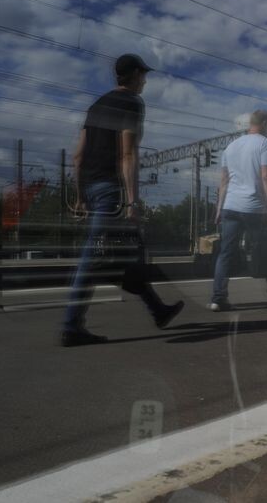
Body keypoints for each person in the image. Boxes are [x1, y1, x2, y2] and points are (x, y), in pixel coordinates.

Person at [63, 53, 184, 347]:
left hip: (91, 187)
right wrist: (132, 201)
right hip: (110, 190)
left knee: (129, 253)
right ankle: (71, 326)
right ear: (134, 75)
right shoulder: (132, 102)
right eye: (143, 76)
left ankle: (158, 310)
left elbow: (78, 155)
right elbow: (127, 153)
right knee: (92, 258)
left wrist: (80, 196)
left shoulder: (97, 105)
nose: (144, 81)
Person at [211, 109, 267, 310]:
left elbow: (224, 180)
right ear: (265, 123)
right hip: (253, 207)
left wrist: (218, 208)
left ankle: (218, 298)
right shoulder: (265, 144)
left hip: (230, 207)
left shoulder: (231, 146)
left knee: (226, 253)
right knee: (266, 250)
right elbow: (266, 176)